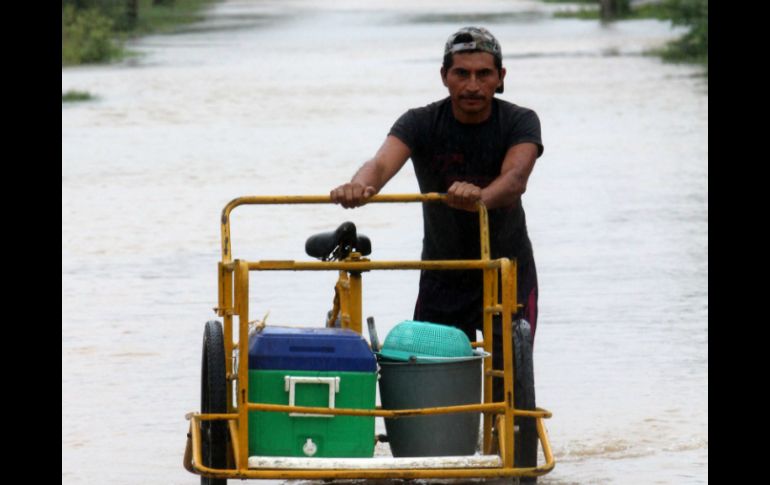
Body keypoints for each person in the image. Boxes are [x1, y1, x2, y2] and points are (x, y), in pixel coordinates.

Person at [330, 28, 543, 453]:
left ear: (500, 77)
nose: (472, 85)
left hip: (506, 271)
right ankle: (439, 454)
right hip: (443, 273)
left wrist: (480, 198)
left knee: (509, 381)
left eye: (483, 75)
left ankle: (508, 454)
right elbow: (380, 163)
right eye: (461, 73)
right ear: (444, 76)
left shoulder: (519, 119)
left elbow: (516, 179)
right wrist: (358, 186)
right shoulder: (420, 121)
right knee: (433, 378)